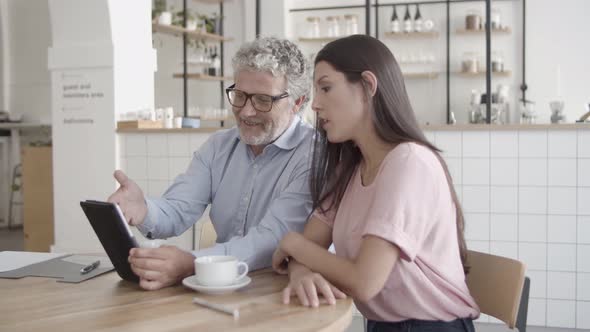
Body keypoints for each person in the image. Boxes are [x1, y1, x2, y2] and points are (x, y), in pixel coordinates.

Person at [271, 35, 480, 332]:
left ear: (368, 86)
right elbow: (309, 246)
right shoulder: (350, 167)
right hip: (383, 325)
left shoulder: (409, 163)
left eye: (326, 88)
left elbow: (364, 282)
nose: (315, 105)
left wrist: (291, 244)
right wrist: (301, 272)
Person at [108, 36, 314, 291]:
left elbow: (274, 239)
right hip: (220, 288)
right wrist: (143, 209)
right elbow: (178, 208)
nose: (246, 111)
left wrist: (193, 262)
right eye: (239, 95)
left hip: (288, 291)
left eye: (262, 100)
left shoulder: (313, 155)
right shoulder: (219, 146)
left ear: (297, 102)